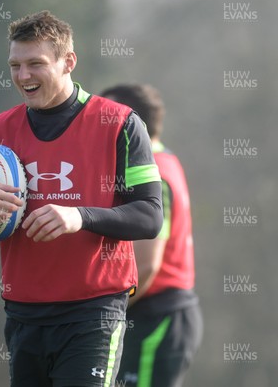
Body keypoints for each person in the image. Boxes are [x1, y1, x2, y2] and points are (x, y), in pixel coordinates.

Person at [0, 11, 163, 387]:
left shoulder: (121, 124)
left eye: (35, 64)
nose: (23, 75)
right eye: (15, 65)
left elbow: (149, 216)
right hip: (23, 315)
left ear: (68, 62)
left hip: (93, 313)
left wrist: (79, 216)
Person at [100, 84, 203, 387]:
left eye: (105, 118)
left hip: (156, 315)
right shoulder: (165, 158)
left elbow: (146, 265)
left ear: (132, 124)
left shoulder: (153, 170)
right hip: (156, 314)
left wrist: (101, 312)